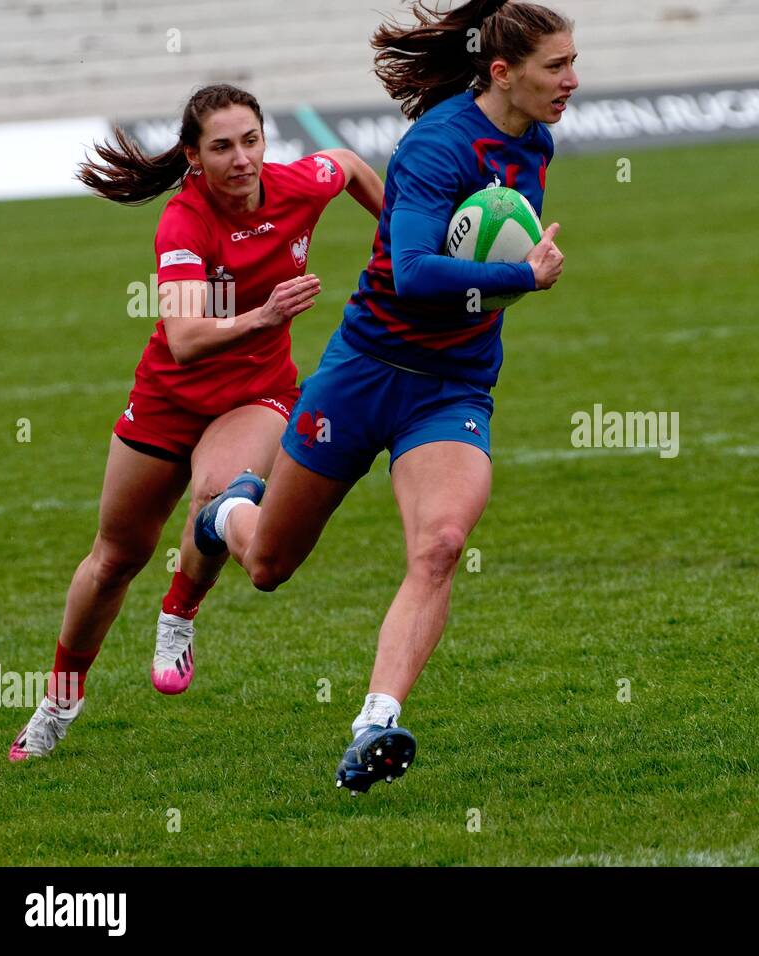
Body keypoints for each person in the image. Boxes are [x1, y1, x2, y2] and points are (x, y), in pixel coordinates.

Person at [193, 0, 576, 793]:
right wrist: (521, 276)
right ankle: (225, 507)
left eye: (573, 63)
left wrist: (505, 279)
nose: (573, 80)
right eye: (558, 66)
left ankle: (376, 724)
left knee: (439, 545)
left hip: (453, 386)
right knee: (267, 565)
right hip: (364, 372)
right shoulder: (436, 146)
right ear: (503, 73)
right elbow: (416, 271)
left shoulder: (534, 139)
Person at [10, 84, 383, 761]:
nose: (241, 159)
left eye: (251, 141)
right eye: (222, 147)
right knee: (115, 557)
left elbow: (350, 164)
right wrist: (264, 316)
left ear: (266, 140)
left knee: (219, 497)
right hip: (169, 399)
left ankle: (179, 610)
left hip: (257, 394)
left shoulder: (299, 184)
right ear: (193, 156)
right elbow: (183, 337)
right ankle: (59, 700)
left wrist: (397, 239)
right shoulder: (184, 222)